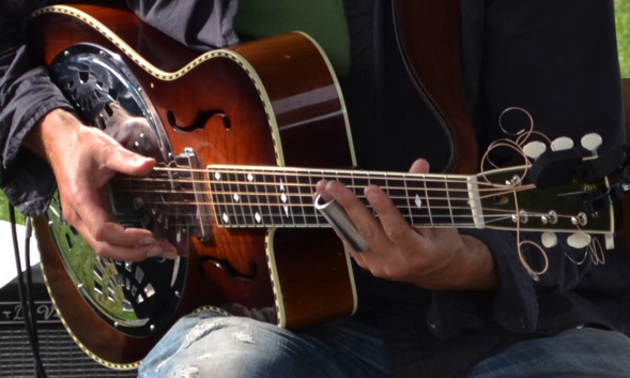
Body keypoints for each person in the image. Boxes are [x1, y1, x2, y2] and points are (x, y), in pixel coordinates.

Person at [2, 1, 630, 377]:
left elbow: (574, 207)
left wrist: (463, 262)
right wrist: (55, 133)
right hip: (236, 313)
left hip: (507, 329)